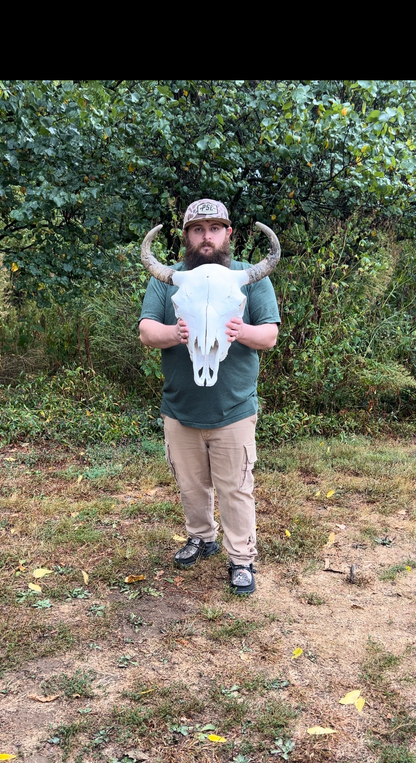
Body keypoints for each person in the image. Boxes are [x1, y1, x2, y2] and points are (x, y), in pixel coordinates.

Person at [139, 199, 281, 594]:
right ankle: (201, 537)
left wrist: (239, 331)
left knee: (236, 486)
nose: (207, 236)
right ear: (187, 236)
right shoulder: (168, 279)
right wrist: (176, 333)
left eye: (214, 228)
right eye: (198, 229)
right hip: (180, 407)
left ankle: (241, 559)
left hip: (232, 407)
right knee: (190, 483)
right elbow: (148, 331)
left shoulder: (249, 278)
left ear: (228, 234)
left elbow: (268, 335)